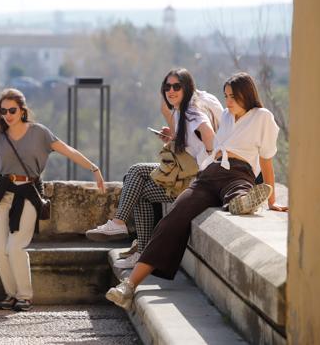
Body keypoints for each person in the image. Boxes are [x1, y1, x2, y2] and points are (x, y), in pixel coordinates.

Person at [105, 72, 289, 309]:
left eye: (233, 96)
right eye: (226, 96)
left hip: (239, 172)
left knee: (239, 192)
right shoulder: (226, 115)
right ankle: (128, 287)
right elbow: (212, 150)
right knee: (173, 218)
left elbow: (266, 161)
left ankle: (243, 202)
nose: (228, 102)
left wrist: (272, 199)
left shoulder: (262, 117)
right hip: (209, 174)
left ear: (246, 94)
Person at [0, 88, 105, 312]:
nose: (7, 115)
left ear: (22, 110)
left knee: (15, 246)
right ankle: (12, 294)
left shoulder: (39, 133)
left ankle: (25, 296)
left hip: (28, 193)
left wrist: (94, 168)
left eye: (12, 110)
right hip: (3, 193)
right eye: (3, 111)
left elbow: (67, 150)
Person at [85, 68, 220, 269]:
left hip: (192, 180)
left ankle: (119, 223)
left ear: (187, 88)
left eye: (176, 86)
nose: (171, 91)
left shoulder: (191, 111)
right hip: (184, 176)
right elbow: (192, 142)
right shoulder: (180, 111)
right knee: (141, 193)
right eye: (167, 87)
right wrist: (172, 138)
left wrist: (208, 166)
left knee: (137, 170)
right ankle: (142, 252)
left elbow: (209, 134)